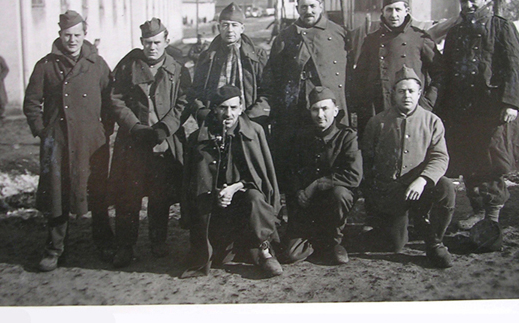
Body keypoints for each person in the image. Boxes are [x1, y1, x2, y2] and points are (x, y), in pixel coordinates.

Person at [436, 0, 519, 233]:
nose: (467, 6)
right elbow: (446, 71)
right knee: (468, 160)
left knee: (491, 161)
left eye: (472, 0)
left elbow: (516, 69)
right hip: (461, 109)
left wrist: (511, 103)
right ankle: (478, 210)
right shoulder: (456, 32)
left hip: (491, 110)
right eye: (463, 1)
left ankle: (492, 215)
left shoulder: (502, 27)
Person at [23, 10, 113, 271]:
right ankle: (54, 249)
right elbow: (31, 102)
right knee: (57, 194)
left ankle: (104, 242)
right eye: (67, 35)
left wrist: (103, 131)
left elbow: (110, 100)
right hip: (58, 141)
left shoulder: (98, 64)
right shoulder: (46, 65)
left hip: (91, 142)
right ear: (59, 34)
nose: (72, 40)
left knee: (97, 193)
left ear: (85, 35)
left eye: (77, 35)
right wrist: (43, 132)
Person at [108, 18, 191, 268]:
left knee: (160, 196)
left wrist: (167, 127)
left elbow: (184, 101)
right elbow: (116, 100)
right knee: (128, 197)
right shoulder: (127, 67)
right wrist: (134, 127)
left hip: (164, 143)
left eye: (156, 42)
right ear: (141, 43)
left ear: (166, 41)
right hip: (133, 144)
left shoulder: (178, 69)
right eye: (147, 43)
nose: (151, 47)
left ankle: (158, 240)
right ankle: (125, 246)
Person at [180, 85, 282, 279]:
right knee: (219, 258)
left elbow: (260, 177)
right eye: (223, 108)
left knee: (254, 198)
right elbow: (193, 183)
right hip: (215, 206)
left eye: (234, 108)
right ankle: (237, 245)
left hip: (244, 200)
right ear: (215, 109)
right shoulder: (198, 138)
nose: (229, 114)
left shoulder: (254, 132)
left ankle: (265, 251)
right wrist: (218, 193)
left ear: (241, 108)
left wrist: (235, 188)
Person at [361, 65, 455, 268]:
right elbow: (367, 163)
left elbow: (440, 157)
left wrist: (422, 180)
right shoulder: (377, 122)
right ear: (393, 93)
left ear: (419, 93)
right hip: (392, 192)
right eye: (401, 91)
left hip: (420, 189)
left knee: (447, 188)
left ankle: (434, 241)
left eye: (411, 91)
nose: (406, 96)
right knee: (394, 245)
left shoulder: (432, 121)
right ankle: (398, 225)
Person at [262, 0, 349, 192]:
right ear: (297, 8)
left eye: (312, 6)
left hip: (326, 109)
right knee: (297, 157)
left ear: (321, 7)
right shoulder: (285, 36)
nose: (308, 11)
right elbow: (273, 74)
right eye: (303, 7)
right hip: (297, 109)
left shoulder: (338, 33)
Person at [281, 86, 362, 265]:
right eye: (315, 109)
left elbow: (353, 175)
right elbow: (291, 169)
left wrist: (318, 183)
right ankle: (315, 239)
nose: (320, 115)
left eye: (325, 109)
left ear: (335, 110)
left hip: (331, 201)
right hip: (306, 203)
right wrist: (299, 190)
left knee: (340, 193)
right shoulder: (301, 136)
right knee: (291, 255)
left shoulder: (347, 136)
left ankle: (334, 241)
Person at [352, 0, 442, 135]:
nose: (393, 15)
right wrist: (363, 107)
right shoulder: (371, 40)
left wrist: (427, 102)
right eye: (389, 10)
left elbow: (440, 73)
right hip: (377, 110)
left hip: (410, 109)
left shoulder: (419, 38)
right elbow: (360, 76)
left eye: (398, 9)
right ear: (383, 11)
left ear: (406, 10)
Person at [187, 3, 269, 125]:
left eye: (234, 25)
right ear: (218, 27)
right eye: (225, 25)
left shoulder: (256, 56)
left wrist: (251, 118)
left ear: (242, 28)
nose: (230, 30)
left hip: (249, 122)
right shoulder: (208, 57)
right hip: (214, 121)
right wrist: (204, 114)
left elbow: (267, 92)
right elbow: (196, 91)